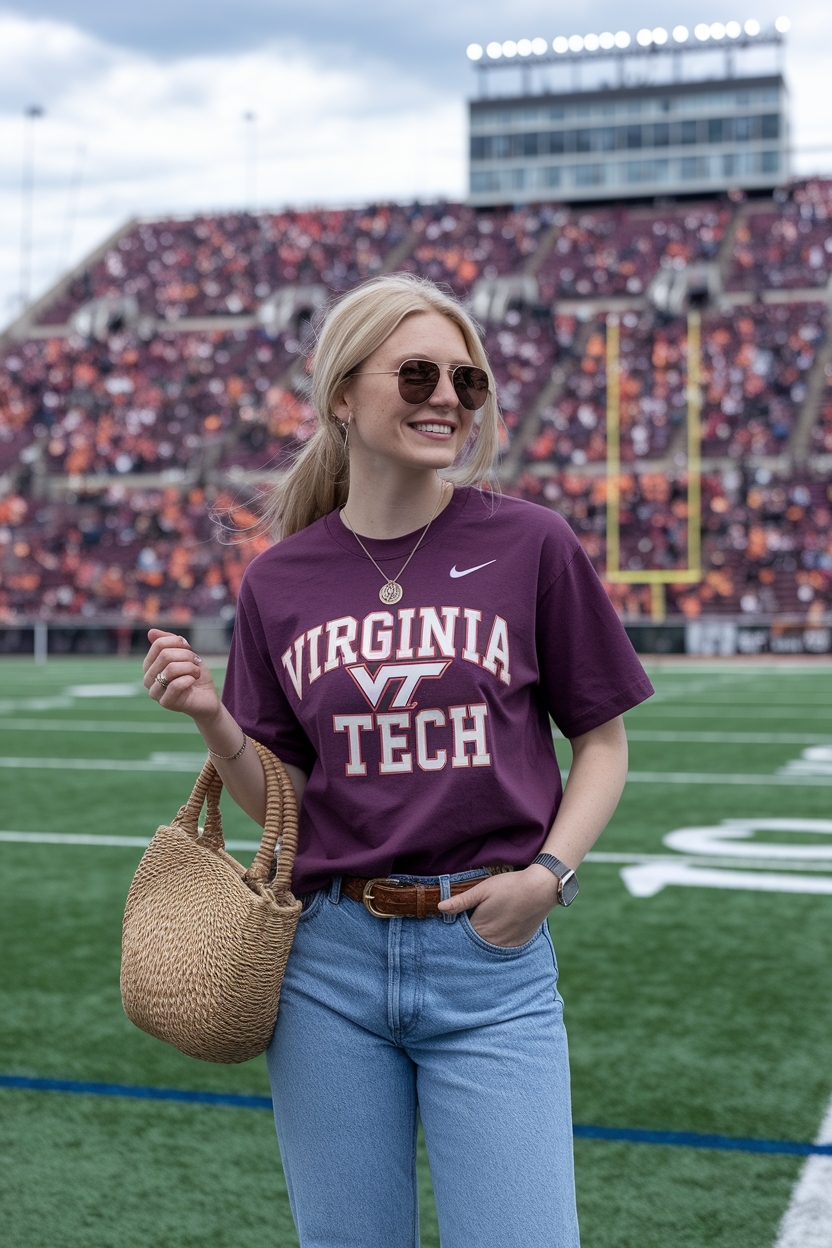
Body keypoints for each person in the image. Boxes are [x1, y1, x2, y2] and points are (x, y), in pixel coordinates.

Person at [142, 272, 654, 1248]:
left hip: (490, 960)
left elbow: (602, 742)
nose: (447, 399)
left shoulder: (531, 544)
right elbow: (278, 804)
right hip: (326, 966)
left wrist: (549, 875)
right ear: (343, 393)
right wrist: (214, 719)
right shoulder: (280, 579)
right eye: (416, 372)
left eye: (467, 381)